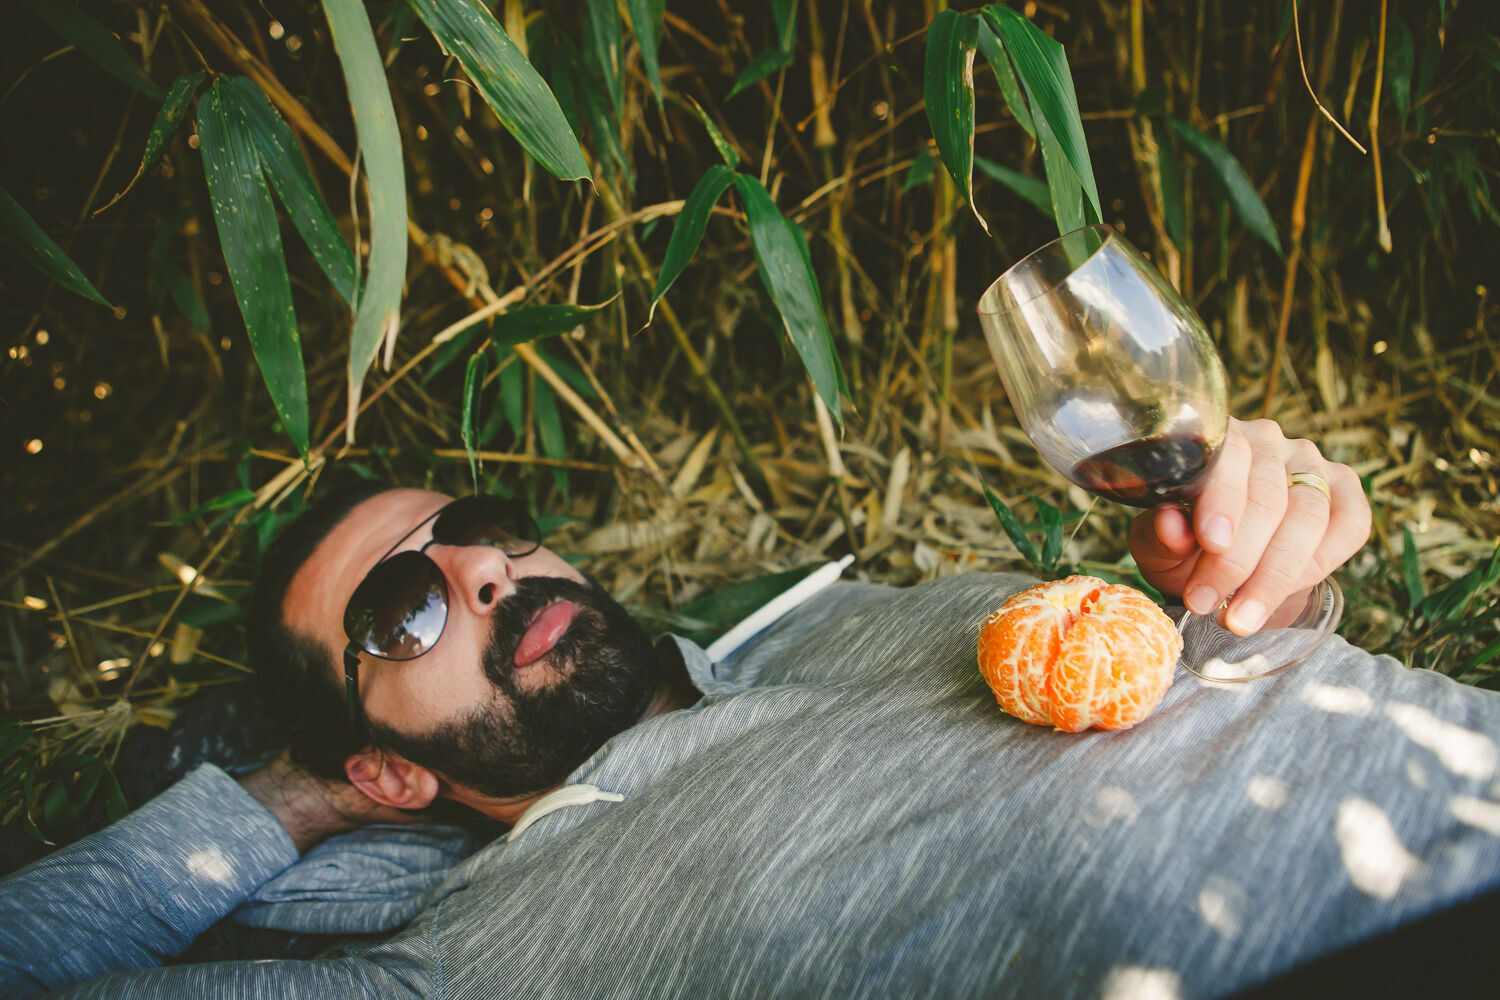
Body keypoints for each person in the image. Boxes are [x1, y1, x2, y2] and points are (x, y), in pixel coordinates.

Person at [2, 418, 1497, 999]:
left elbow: (1235, 672)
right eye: (400, 611)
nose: (482, 571)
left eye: (479, 521)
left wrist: (1269, 583)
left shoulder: (861, 611)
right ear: (382, 771)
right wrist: (279, 800)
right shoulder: (475, 963)